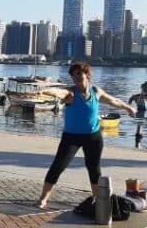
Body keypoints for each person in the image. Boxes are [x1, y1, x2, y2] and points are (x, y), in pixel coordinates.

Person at [36, 62, 135, 209]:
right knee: (58, 166)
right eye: (73, 75)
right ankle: (43, 199)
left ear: (87, 75)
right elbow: (58, 92)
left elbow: (114, 101)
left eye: (79, 74)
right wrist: (44, 91)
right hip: (71, 138)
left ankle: (97, 199)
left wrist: (128, 108)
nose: (76, 77)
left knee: (94, 168)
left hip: (93, 138)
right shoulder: (71, 93)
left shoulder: (96, 91)